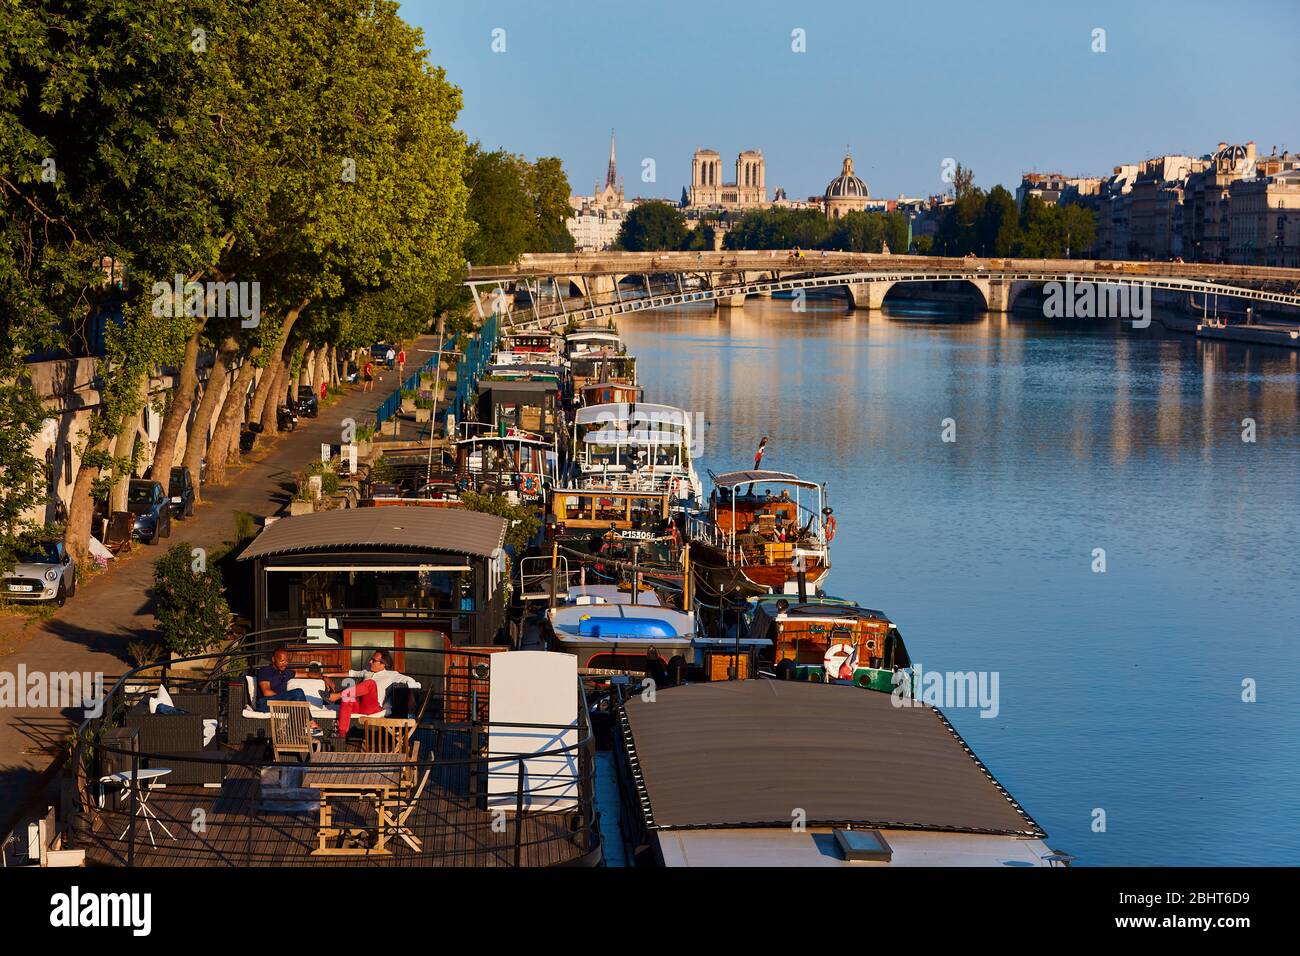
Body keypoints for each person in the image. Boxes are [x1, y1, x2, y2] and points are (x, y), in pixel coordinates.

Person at [321, 650, 419, 736]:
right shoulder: (367, 672)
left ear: (383, 663)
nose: (370, 661)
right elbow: (351, 673)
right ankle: (342, 734)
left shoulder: (392, 675)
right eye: (371, 659)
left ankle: (336, 696)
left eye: (373, 660)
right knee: (348, 697)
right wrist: (326, 675)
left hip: (373, 707)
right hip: (359, 705)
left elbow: (412, 681)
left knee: (370, 683)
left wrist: (410, 695)